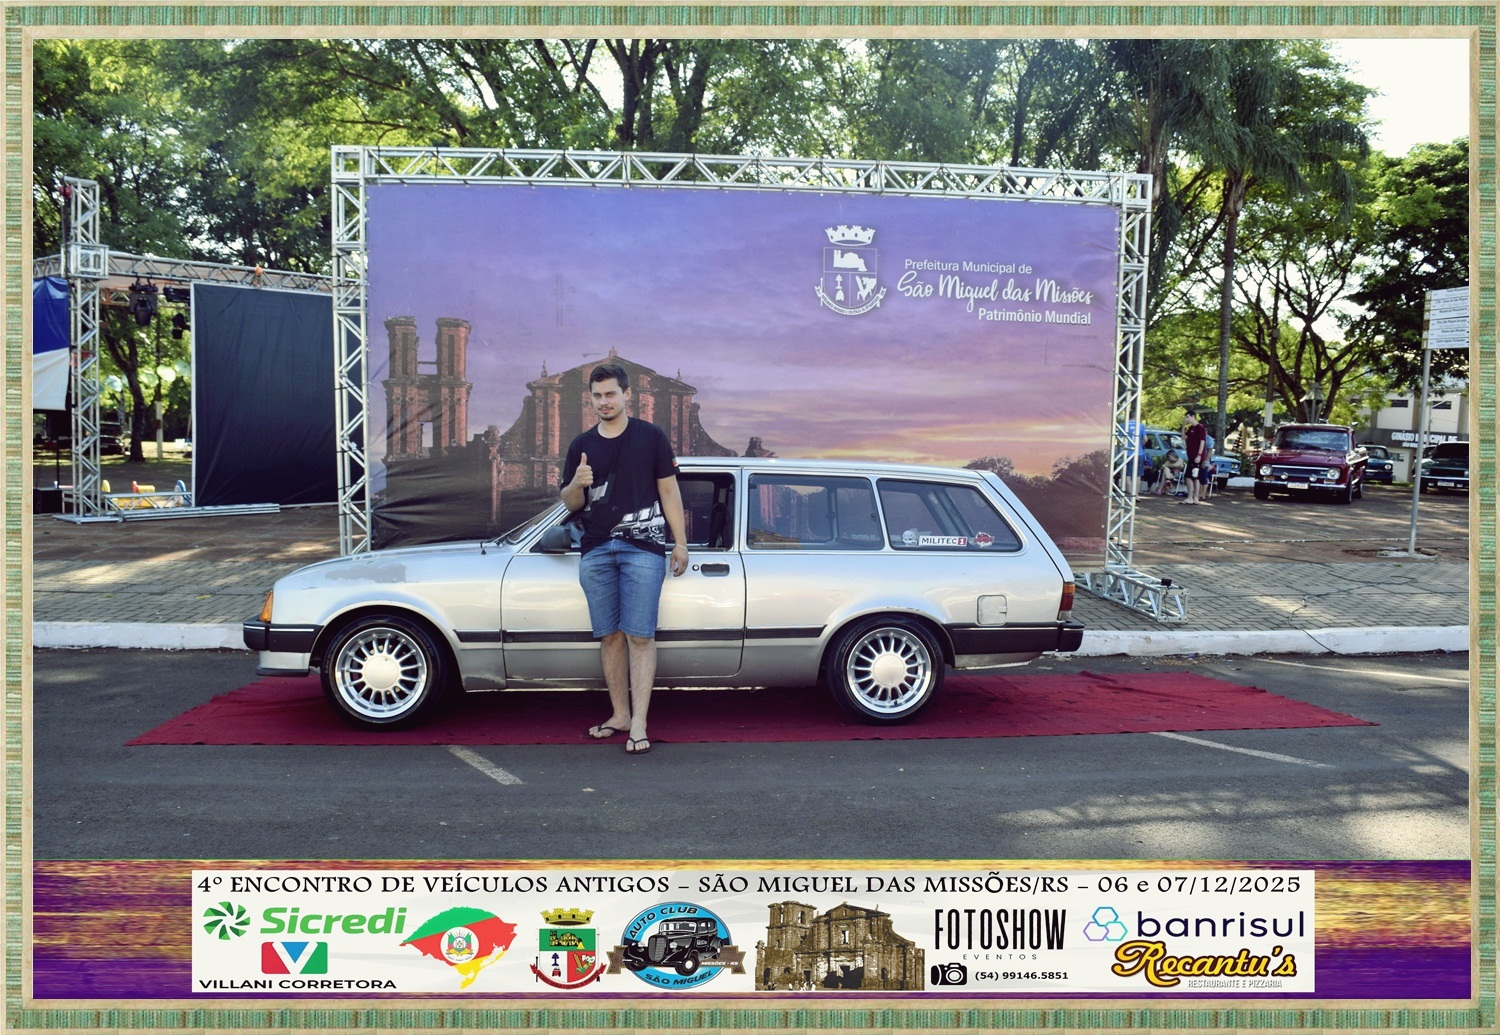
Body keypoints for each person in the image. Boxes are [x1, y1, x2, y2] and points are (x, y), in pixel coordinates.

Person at [560, 362, 689, 755]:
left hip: (643, 548)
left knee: (640, 636)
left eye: (610, 394)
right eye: (597, 396)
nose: (604, 402)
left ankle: (640, 723)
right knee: (610, 636)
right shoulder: (581, 445)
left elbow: (669, 491)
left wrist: (680, 543)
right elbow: (570, 502)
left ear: (627, 394)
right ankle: (619, 715)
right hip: (596, 549)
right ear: (590, 398)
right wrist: (576, 483)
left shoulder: (651, 436)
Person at [1182, 409, 1210, 506]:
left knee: (1190, 476)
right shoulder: (1190, 428)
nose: (1187, 419)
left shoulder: (1200, 427)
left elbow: (1202, 441)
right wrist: (1183, 426)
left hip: (1196, 456)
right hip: (1191, 455)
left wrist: (1199, 455)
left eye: (1188, 417)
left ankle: (1192, 497)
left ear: (1193, 416)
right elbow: (1183, 437)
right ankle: (1194, 498)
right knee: (1194, 476)